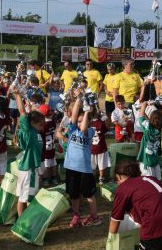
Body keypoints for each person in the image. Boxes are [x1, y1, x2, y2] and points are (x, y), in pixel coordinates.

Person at [108, 160, 162, 250]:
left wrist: (111, 240)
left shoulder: (123, 187)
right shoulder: (150, 178)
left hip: (156, 225)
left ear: (119, 176)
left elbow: (115, 219)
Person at [65, 90, 101, 227]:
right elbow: (74, 115)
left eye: (82, 121)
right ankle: (76, 215)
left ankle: (94, 216)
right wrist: (79, 99)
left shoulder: (90, 131)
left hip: (85, 170)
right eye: (78, 122)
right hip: (71, 167)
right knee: (74, 194)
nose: (79, 124)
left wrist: (86, 112)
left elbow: (85, 127)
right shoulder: (72, 129)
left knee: (88, 194)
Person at [13, 89, 45, 216]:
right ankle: (21, 221)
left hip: (33, 169)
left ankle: (25, 217)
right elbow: (22, 112)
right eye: (40, 125)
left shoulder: (36, 133)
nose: (42, 128)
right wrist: (17, 96)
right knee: (23, 198)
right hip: (27, 170)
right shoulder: (29, 132)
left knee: (28, 196)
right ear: (32, 123)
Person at [137, 100, 162, 180]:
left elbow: (141, 117)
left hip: (147, 162)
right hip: (155, 160)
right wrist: (142, 111)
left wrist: (144, 104)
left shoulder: (148, 129)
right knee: (158, 181)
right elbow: (148, 121)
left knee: (149, 183)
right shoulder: (158, 129)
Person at [38, 104, 59, 186]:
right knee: (53, 162)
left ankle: (46, 179)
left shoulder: (43, 125)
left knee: (46, 165)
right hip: (52, 147)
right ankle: (54, 178)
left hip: (45, 148)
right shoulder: (52, 122)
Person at [89, 108, 110, 185]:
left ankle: (91, 178)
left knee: (92, 164)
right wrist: (105, 119)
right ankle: (101, 178)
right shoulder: (101, 123)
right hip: (101, 146)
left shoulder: (88, 123)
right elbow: (106, 129)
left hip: (91, 147)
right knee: (101, 164)